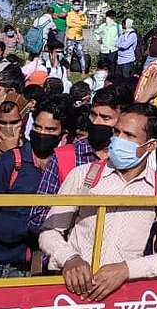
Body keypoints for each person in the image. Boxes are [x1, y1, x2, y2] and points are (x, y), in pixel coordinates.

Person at [39, 103, 157, 298]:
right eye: (116, 132)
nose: (118, 140)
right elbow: (49, 231)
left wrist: (127, 269)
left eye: (129, 136)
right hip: (72, 294)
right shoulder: (83, 176)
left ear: (151, 145)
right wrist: (69, 259)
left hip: (124, 300)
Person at [0, 97, 68, 278]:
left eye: (50, 129)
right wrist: (32, 228)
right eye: (37, 127)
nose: (42, 133)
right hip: (0, 267)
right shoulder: (8, 164)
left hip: (46, 266)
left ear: (63, 134)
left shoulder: (65, 167)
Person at [28, 86, 124, 230]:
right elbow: (37, 217)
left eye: (105, 118)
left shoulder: (128, 160)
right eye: (93, 115)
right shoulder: (64, 157)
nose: (96, 122)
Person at [63, 0, 89, 73]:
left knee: (81, 54)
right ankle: (67, 71)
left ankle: (83, 71)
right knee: (69, 54)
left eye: (78, 4)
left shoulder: (82, 13)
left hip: (79, 37)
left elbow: (85, 23)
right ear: (73, 5)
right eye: (75, 4)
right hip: (71, 37)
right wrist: (79, 23)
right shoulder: (70, 13)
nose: (76, 6)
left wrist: (76, 23)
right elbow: (68, 23)